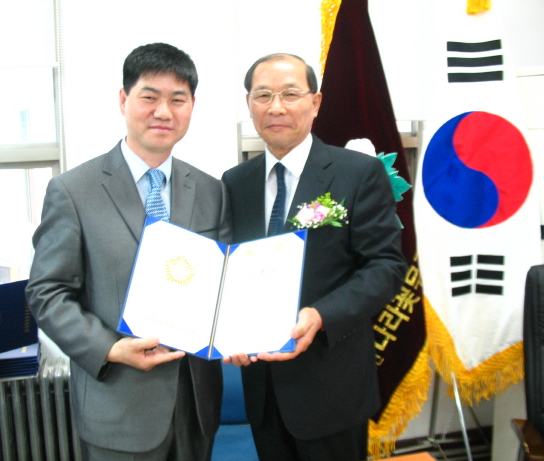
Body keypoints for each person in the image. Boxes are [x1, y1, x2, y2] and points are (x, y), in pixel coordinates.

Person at [26, 43, 231, 461]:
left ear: (192, 106)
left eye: (178, 100)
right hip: (118, 405)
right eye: (149, 97)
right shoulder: (73, 191)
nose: (163, 112)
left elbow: (223, 285)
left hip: (196, 405)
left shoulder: (212, 190)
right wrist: (109, 348)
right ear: (123, 100)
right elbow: (47, 292)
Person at [221, 53, 407, 461]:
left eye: (290, 94)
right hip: (262, 387)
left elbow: (386, 267)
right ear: (249, 104)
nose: (276, 107)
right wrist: (226, 330)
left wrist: (321, 315)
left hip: (331, 385)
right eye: (263, 95)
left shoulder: (358, 173)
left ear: (316, 102)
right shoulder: (235, 182)